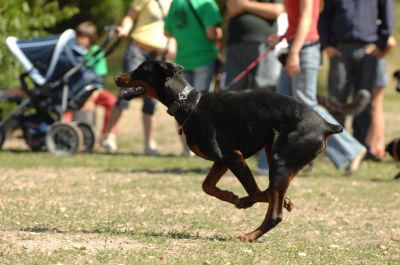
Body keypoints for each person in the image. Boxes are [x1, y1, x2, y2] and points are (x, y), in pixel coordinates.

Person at [277, 0, 366, 175]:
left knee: (307, 105)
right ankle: (286, 160)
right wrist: (285, 36)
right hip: (294, 45)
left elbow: (307, 18)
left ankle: (352, 149)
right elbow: (296, 18)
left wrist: (294, 52)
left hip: (304, 49)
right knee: (283, 105)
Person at [318, 0, 394, 157]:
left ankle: (361, 148)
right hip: (340, 50)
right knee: (336, 101)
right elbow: (324, 16)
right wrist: (326, 45)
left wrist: (380, 45)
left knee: (365, 100)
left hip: (368, 50)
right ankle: (335, 151)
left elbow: (387, 16)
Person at [102, 0, 176, 155]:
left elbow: (174, 28)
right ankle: (108, 136)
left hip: (158, 55)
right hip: (138, 50)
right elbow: (130, 16)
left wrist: (172, 42)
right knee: (127, 93)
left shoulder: (176, 2)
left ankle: (149, 144)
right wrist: (124, 29)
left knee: (151, 98)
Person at [222, 0, 284, 173]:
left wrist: (245, 5)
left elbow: (277, 10)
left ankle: (266, 162)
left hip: (264, 44)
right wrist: (249, 7)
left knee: (266, 104)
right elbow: (232, 7)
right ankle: (228, 161)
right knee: (230, 104)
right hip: (236, 44)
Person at [164, 0, 223, 156]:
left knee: (181, 105)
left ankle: (186, 148)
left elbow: (168, 31)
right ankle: (204, 147)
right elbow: (212, 33)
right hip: (203, 59)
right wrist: (221, 34)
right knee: (201, 107)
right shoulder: (206, 2)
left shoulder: (176, 3)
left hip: (182, 61)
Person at [74, 21, 119, 153]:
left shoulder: (97, 53)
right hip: (75, 91)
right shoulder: (73, 52)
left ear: (92, 39)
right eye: (79, 36)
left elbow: (98, 83)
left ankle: (107, 136)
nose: (81, 40)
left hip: (93, 91)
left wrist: (91, 99)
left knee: (112, 102)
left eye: (85, 37)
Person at [368, 36, 396, 160]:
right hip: (371, 66)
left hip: (377, 67)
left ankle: (377, 147)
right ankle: (376, 145)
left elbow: (390, 42)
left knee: (375, 108)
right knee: (374, 108)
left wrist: (380, 52)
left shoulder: (378, 28)